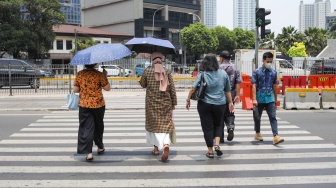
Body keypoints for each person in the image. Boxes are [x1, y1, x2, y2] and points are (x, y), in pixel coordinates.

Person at [186, 54, 234, 158]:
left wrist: (188, 100)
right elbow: (227, 90)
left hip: (205, 104)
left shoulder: (203, 74)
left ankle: (210, 151)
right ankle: (217, 144)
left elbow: (193, 88)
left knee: (207, 128)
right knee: (218, 125)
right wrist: (230, 103)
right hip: (220, 104)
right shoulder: (223, 73)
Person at [139, 51, 177, 162]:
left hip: (151, 104)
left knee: (154, 125)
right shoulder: (167, 71)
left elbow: (142, 84)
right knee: (165, 125)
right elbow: (172, 89)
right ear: (161, 59)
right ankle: (165, 145)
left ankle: (156, 148)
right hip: (166, 103)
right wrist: (173, 103)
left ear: (152, 60)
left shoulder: (147, 71)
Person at [73, 63, 111, 161]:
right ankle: (100, 146)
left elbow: (75, 90)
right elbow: (107, 88)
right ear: (94, 64)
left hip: (84, 104)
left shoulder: (80, 74)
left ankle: (89, 152)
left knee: (86, 127)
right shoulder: (99, 74)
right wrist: (105, 76)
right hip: (98, 104)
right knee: (98, 126)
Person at [252, 52, 284, 145]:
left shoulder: (273, 72)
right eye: (267, 61)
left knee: (273, 117)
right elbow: (254, 86)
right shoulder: (257, 72)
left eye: (270, 61)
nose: (269, 63)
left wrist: (275, 99)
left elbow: (274, 86)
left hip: (270, 98)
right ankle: (257, 132)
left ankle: (276, 136)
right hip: (259, 97)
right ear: (263, 61)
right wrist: (254, 99)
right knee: (257, 117)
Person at [219, 51, 242, 143]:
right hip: (231, 96)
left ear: (221, 58)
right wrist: (237, 95)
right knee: (229, 113)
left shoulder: (218, 68)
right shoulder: (235, 68)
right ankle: (230, 126)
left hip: (219, 96)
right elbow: (238, 82)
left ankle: (220, 137)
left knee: (219, 116)